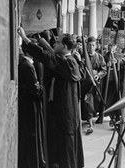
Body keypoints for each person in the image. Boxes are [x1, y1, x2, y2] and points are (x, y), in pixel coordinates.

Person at [17, 27, 84, 168]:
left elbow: (47, 56)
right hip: (62, 113)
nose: (54, 45)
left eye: (57, 42)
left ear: (65, 46)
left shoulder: (68, 62)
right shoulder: (67, 60)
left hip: (65, 114)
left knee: (66, 152)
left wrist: (25, 38)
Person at [18, 41, 43, 168]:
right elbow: (35, 89)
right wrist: (42, 89)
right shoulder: (28, 66)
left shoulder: (24, 63)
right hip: (30, 105)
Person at [81, 36, 107, 133]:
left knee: (96, 101)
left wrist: (98, 75)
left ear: (96, 46)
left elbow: (104, 69)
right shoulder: (84, 57)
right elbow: (81, 69)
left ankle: (91, 117)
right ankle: (90, 122)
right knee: (88, 101)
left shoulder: (100, 57)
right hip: (86, 83)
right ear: (87, 46)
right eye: (89, 45)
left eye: (93, 45)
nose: (91, 47)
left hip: (96, 84)